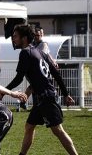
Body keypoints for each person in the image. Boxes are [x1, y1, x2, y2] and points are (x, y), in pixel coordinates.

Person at [6, 24, 78, 155]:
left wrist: (3, 91)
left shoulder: (25, 52)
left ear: (24, 38)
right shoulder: (39, 52)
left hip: (46, 98)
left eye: (15, 36)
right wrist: (66, 94)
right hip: (42, 98)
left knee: (58, 131)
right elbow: (56, 74)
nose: (13, 39)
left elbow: (18, 78)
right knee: (29, 127)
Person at [20, 26, 59, 110]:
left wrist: (53, 62)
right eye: (36, 35)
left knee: (34, 87)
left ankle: (26, 102)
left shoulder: (43, 44)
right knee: (34, 87)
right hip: (36, 70)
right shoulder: (32, 44)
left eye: (40, 34)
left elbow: (46, 55)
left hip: (42, 69)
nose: (38, 36)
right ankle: (29, 103)